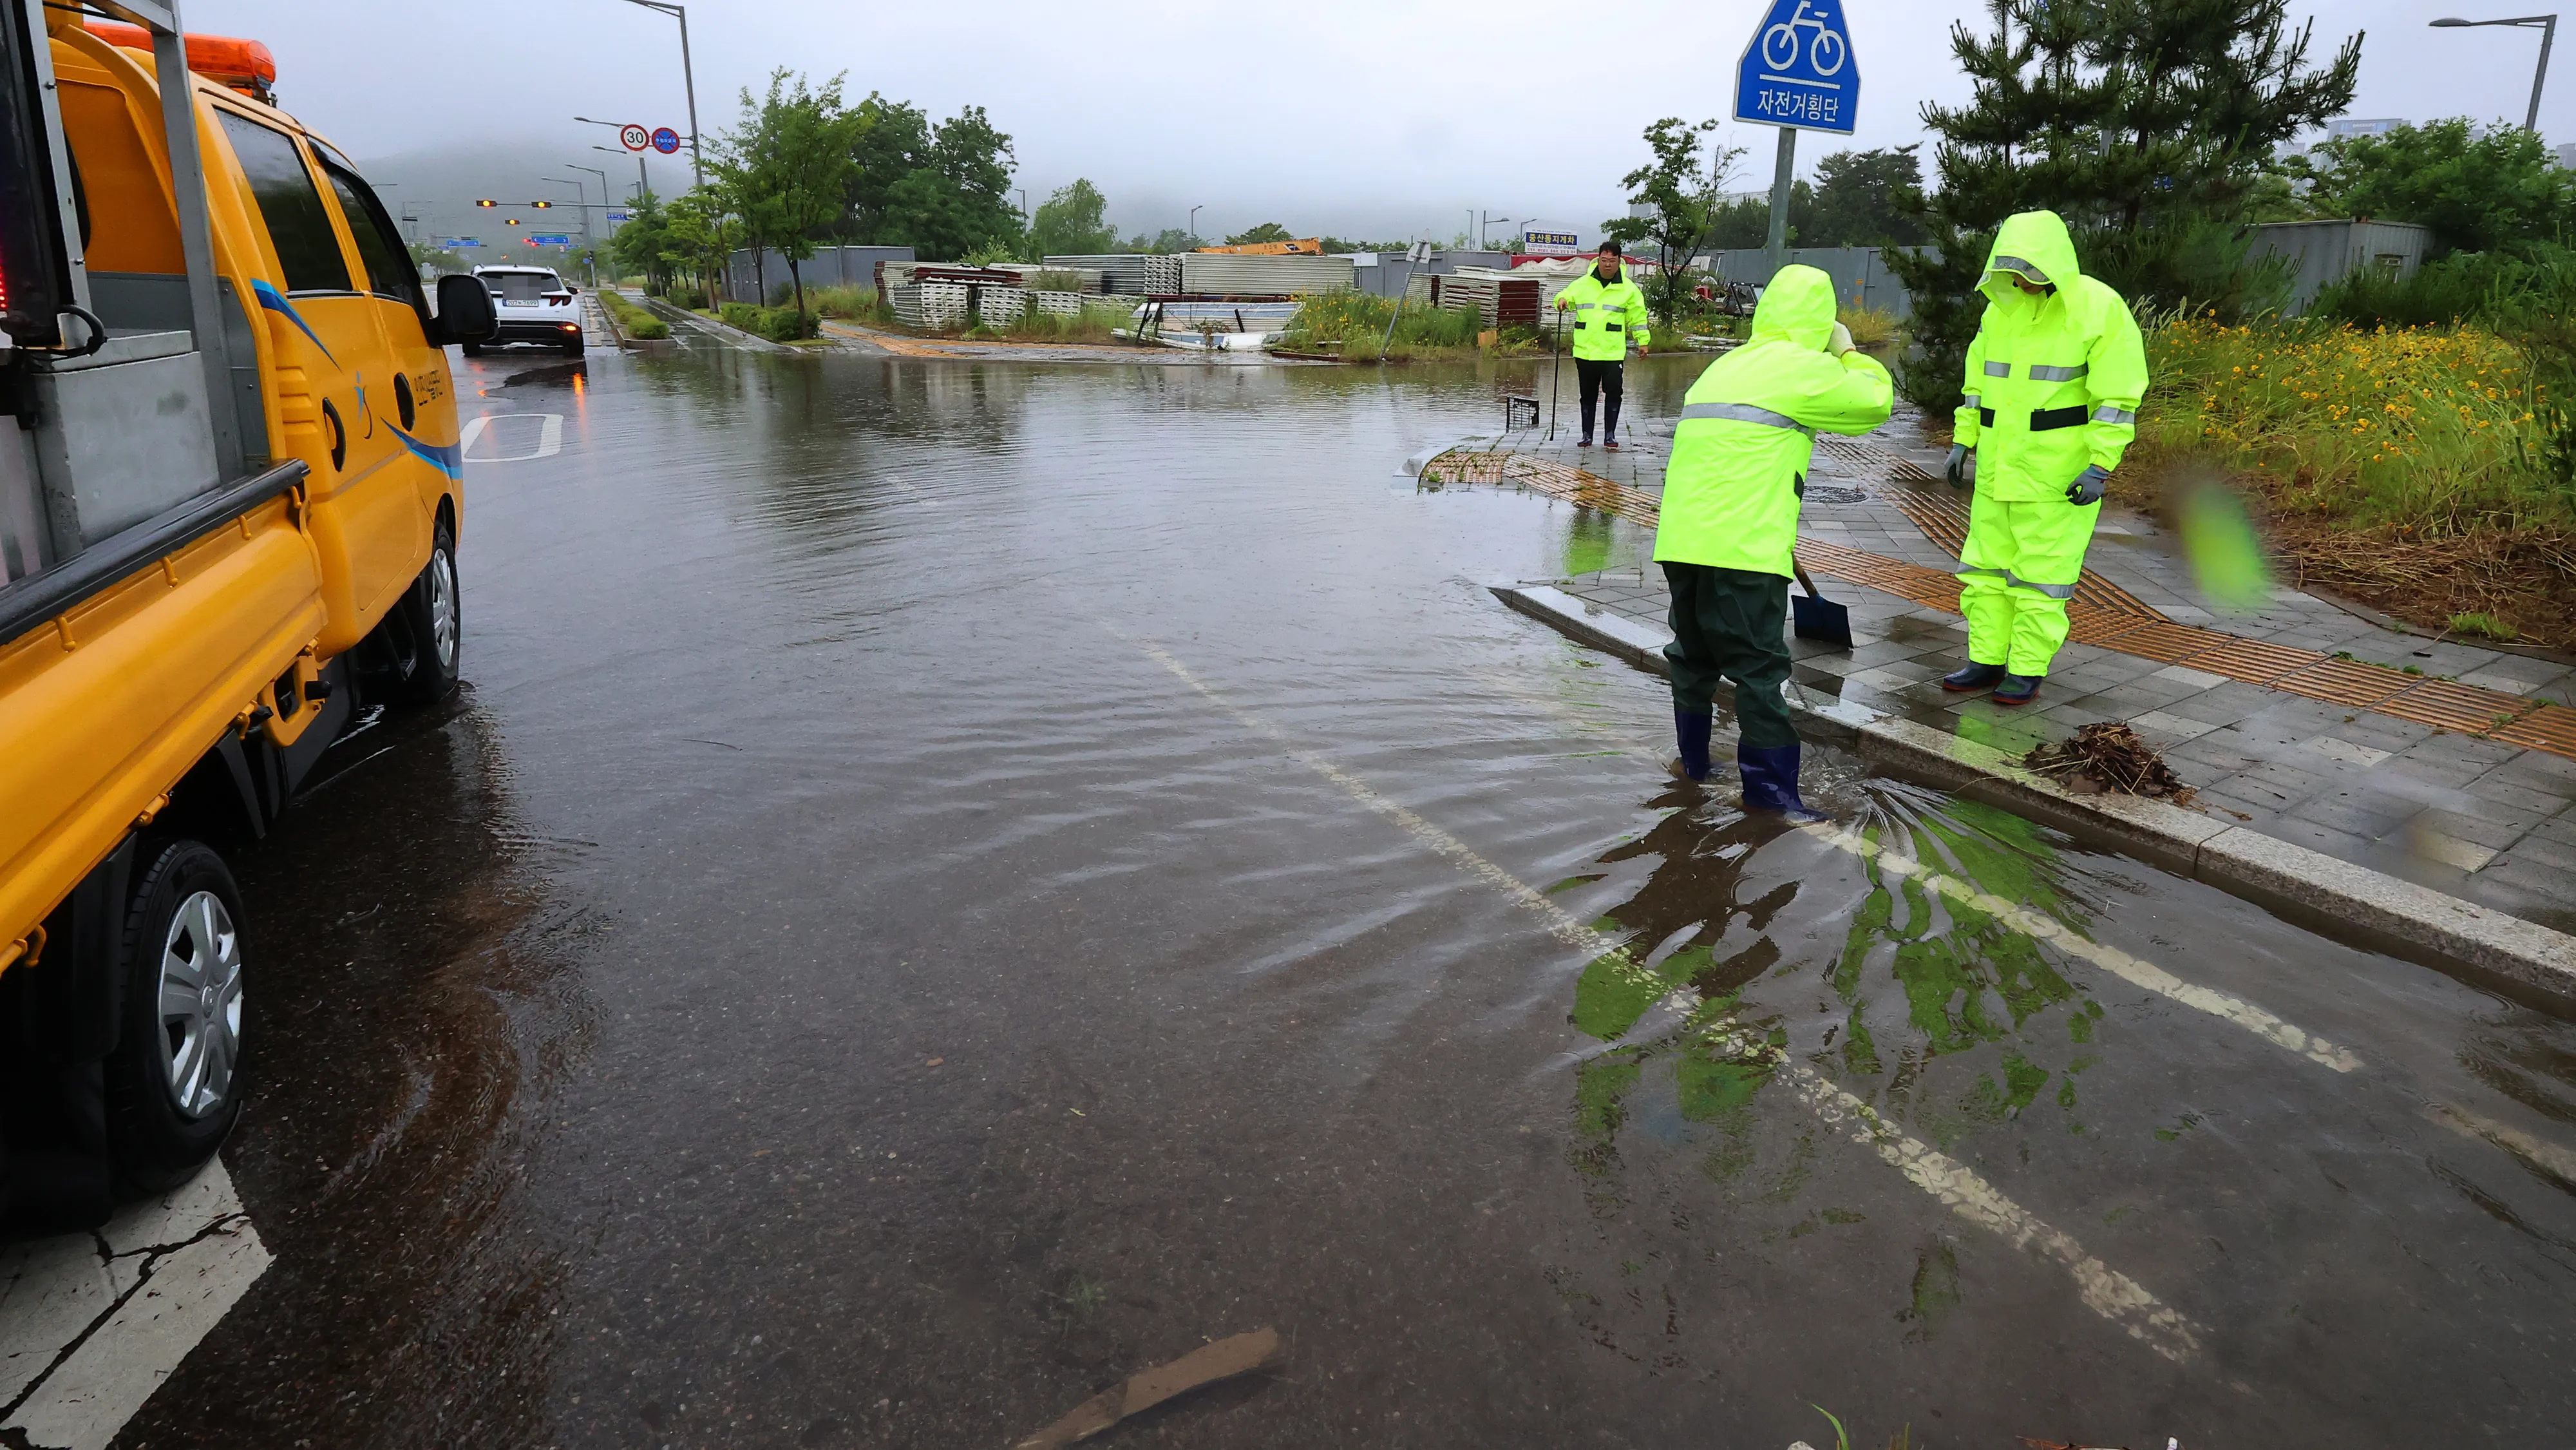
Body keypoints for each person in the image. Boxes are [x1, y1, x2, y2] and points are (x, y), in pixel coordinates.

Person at [1656, 263, 1893, 817]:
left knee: (1692, 659)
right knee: (1760, 670)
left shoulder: (1722, 366)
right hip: (1744, 548)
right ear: (1819, 319)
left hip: (1682, 537)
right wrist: (1849, 350)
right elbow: (1876, 402)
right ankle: (1771, 798)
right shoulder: (1806, 369)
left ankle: (1692, 764)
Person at [1940, 210, 2148, 706]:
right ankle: (1985, 659)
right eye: (2011, 271)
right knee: (1984, 572)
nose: (2020, 282)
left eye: (2030, 272)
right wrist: (1963, 440)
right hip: (1997, 467)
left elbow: (2118, 398)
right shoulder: (2000, 309)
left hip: (2059, 477)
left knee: (2040, 580)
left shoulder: (2098, 308)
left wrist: (2100, 464)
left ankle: (2027, 668)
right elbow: (1977, 385)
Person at [1552, 242, 1652, 449]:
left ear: (1619, 262)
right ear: (1598, 260)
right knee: (1587, 395)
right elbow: (1565, 296)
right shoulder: (1582, 284)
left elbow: (1638, 317)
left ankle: (1610, 436)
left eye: (1612, 261)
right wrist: (1561, 301)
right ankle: (1586, 436)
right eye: (1604, 260)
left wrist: (1643, 342)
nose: (1607, 265)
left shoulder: (1629, 289)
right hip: (1585, 350)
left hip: (1612, 352)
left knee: (1614, 393)